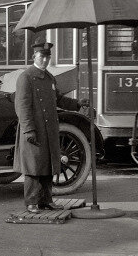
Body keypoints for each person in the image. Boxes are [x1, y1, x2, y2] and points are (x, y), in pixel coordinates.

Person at [13, 42, 86, 214]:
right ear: (34, 57)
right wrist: (28, 129)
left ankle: (46, 200)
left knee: (47, 166)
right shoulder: (26, 77)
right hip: (33, 130)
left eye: (47, 57)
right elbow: (22, 106)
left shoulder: (49, 78)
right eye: (42, 57)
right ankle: (31, 202)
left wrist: (77, 103)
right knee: (33, 167)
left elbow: (58, 99)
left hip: (49, 130)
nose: (45, 60)